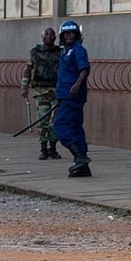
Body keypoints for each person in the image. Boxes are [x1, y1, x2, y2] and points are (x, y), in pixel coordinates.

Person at [53, 20, 92, 177]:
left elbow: (84, 69)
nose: (69, 35)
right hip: (64, 95)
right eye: (66, 33)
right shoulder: (64, 51)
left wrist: (77, 84)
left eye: (72, 33)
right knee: (75, 127)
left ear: (77, 35)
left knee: (60, 125)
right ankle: (83, 168)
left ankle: (79, 156)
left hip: (73, 95)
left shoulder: (78, 50)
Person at [20, 27, 62, 160]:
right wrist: (24, 87)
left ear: (55, 38)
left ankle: (53, 148)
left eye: (52, 34)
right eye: (46, 34)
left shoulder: (60, 52)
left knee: (55, 120)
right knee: (43, 119)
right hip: (40, 91)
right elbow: (28, 69)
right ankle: (43, 148)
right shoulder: (35, 52)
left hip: (56, 91)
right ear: (42, 37)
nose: (49, 36)